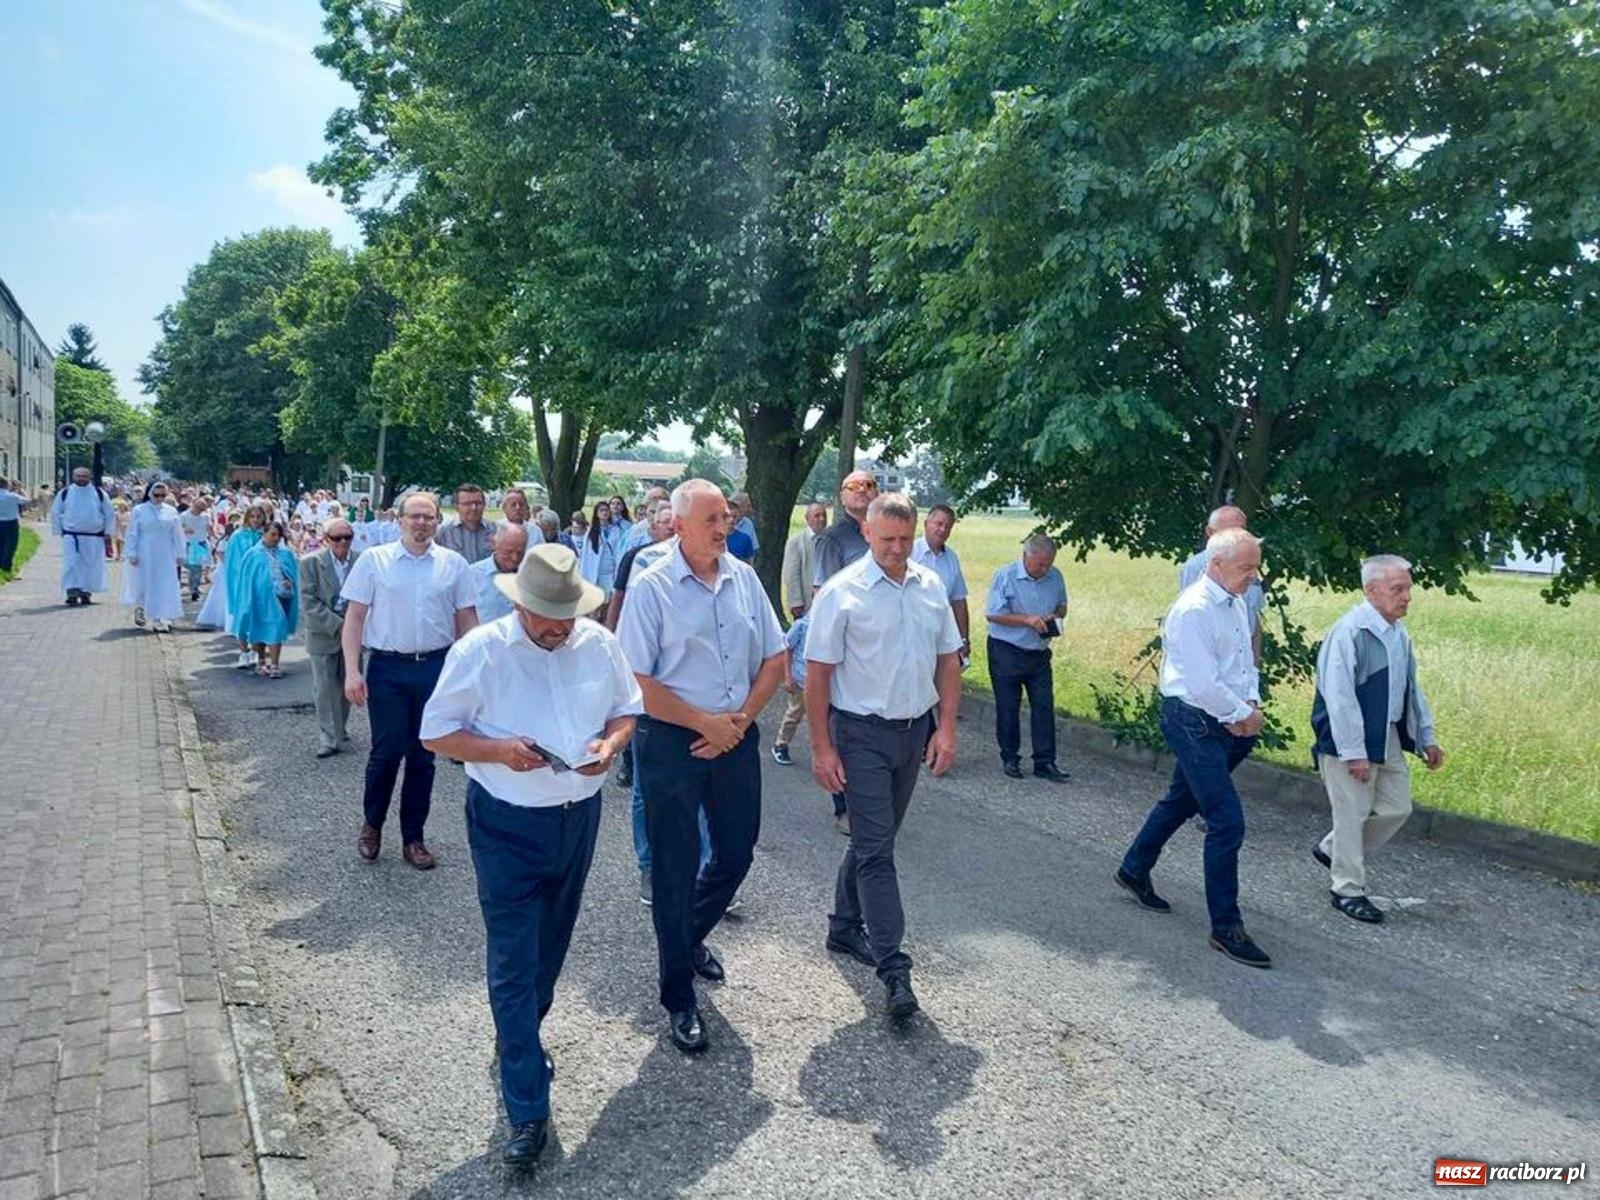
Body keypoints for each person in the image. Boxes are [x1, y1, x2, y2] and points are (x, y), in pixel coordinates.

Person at [420, 545, 641, 1166]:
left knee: (548, 951)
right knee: (514, 959)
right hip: (506, 822)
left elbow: (627, 710)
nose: (559, 625)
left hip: (579, 818)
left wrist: (611, 742)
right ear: (519, 602)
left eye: (567, 614)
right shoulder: (481, 650)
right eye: (547, 614)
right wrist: (497, 750)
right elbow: (435, 731)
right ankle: (527, 1107)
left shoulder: (598, 643)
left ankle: (518, 1031)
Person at [616, 479, 786, 1053]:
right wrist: (702, 724)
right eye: (712, 519)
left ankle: (686, 938)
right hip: (671, 741)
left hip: (734, 733)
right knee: (674, 865)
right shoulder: (652, 582)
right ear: (678, 525)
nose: (724, 528)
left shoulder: (742, 577)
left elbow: (776, 657)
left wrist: (734, 722)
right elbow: (635, 679)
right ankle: (677, 995)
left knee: (736, 852)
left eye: (728, 518)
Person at [806, 493, 962, 1017]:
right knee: (877, 852)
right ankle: (894, 968)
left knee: (877, 838)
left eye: (904, 539)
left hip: (912, 732)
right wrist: (822, 746)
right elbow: (819, 674)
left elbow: (948, 661)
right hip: (859, 734)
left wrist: (945, 730)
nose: (897, 549)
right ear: (867, 534)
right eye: (886, 539)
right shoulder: (841, 593)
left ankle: (843, 927)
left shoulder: (930, 586)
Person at [1114, 528, 1272, 969]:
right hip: (1193, 719)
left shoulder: (1236, 601)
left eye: (1255, 566)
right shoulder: (1194, 610)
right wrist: (1240, 712)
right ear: (1215, 565)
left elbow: (1244, 662)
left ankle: (1134, 867)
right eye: (1246, 568)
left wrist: (1250, 705)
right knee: (1226, 821)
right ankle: (1226, 928)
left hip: (1226, 717)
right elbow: (1202, 684)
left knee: (1181, 799)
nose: (1253, 577)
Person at [341, 491, 479, 870]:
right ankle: (372, 824)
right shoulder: (374, 561)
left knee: (423, 756)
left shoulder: (454, 565)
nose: (421, 523)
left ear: (438, 522)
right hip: (387, 668)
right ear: (399, 520)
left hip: (435, 669)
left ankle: (414, 837)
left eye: (428, 517)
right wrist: (352, 671)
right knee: (386, 753)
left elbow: (467, 622)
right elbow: (354, 619)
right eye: (414, 516)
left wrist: (474, 675)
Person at [1310, 555, 1445, 924]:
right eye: (1397, 589)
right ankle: (1347, 890)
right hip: (1347, 740)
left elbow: (1410, 690)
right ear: (1370, 591)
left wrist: (1426, 737)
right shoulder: (1350, 632)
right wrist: (1354, 752)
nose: (1406, 597)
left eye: (1408, 589)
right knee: (1351, 814)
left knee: (1397, 807)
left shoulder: (1399, 634)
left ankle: (1332, 849)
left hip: (1385, 734)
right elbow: (1338, 698)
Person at [604, 500, 706, 894]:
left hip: (696, 694)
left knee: (701, 790)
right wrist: (613, 651)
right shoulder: (640, 560)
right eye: (663, 523)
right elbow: (619, 605)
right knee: (647, 789)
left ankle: (704, 869)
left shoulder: (712, 563)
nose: (668, 528)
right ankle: (649, 864)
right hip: (649, 689)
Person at [984, 534, 1071, 782]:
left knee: (1044, 706)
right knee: (1008, 706)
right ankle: (1010, 758)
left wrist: (1055, 614)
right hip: (1007, 650)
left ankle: (1045, 762)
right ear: (1026, 556)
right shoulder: (1006, 575)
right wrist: (1027, 619)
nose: (1044, 569)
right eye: (1040, 564)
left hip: (1039, 652)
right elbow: (992, 614)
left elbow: (1063, 604)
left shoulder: (1055, 576)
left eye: (1048, 564)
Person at [770, 502, 830, 769]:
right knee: (796, 710)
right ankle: (781, 743)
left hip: (827, 607)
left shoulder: (830, 542)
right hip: (807, 603)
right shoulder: (799, 542)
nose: (820, 519)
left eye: (823, 515)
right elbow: (791, 573)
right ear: (807, 519)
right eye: (816, 515)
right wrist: (796, 602)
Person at [301, 518, 361, 756]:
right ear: (326, 540)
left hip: (354, 633)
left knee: (348, 684)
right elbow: (308, 602)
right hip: (324, 632)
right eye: (337, 538)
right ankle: (328, 736)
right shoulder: (310, 563)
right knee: (325, 687)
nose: (343, 542)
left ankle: (339, 727)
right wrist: (339, 625)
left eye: (348, 537)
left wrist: (355, 626)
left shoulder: (360, 561)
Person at [1179, 505, 1266, 660]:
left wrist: (1255, 663)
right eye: (1229, 532)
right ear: (1210, 532)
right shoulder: (1195, 569)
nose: (1238, 538)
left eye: (1242, 531)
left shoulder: (1247, 569)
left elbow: (1254, 618)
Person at [235, 520, 300, 678]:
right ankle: (261, 661)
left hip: (279, 598)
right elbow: (246, 580)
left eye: (279, 535)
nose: (276, 538)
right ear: (264, 534)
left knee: (276, 627)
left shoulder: (285, 553)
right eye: (273, 534)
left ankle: (275, 664)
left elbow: (293, 574)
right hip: (259, 598)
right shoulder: (253, 554)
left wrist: (289, 581)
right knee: (259, 629)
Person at [122, 480, 185, 633]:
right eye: (156, 495)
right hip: (145, 551)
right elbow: (132, 533)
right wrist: (131, 552)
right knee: (144, 582)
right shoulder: (139, 510)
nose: (159, 498)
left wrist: (180, 553)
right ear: (150, 494)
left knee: (164, 583)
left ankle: (160, 617)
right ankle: (142, 608)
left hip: (165, 553)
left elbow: (177, 534)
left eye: (163, 495)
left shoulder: (171, 511)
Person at [912, 504, 972, 665]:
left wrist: (964, 638)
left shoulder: (951, 558)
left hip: (942, 634)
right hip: (912, 633)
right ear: (926, 524)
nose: (942, 530)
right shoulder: (909, 552)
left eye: (948, 526)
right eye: (939, 524)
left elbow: (959, 601)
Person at [49, 466, 115, 606]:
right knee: (71, 564)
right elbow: (56, 512)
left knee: (89, 565)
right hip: (71, 536)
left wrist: (108, 532)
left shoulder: (99, 493)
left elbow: (109, 513)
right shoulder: (65, 493)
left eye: (84, 475)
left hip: (93, 537)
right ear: (73, 476)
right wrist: (59, 531)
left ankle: (86, 593)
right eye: (78, 475)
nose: (81, 478)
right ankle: (72, 592)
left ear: (90, 477)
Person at [813, 470, 876, 588]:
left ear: (877, 493)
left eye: (868, 485)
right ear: (842, 497)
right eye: (854, 486)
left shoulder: (889, 533)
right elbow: (823, 592)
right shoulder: (830, 539)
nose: (862, 490)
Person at [224, 505, 267, 667]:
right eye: (253, 516)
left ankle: (256, 651)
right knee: (242, 617)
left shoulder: (265, 534)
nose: (256, 520)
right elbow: (233, 562)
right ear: (247, 518)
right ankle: (243, 651)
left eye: (259, 516)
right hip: (241, 582)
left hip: (261, 582)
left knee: (258, 617)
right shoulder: (238, 536)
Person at [470, 522, 530, 624]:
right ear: (494, 544)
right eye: (508, 552)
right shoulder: (473, 575)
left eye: (520, 552)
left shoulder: (531, 576)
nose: (515, 558)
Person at [435, 483, 498, 564]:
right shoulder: (443, 533)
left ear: (484, 504)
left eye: (478, 503)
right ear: (456, 506)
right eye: (467, 504)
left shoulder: (496, 530)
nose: (474, 508)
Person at [578, 502, 618, 604]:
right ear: (596, 514)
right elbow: (586, 557)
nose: (604, 512)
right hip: (596, 571)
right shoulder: (591, 533)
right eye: (601, 510)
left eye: (606, 510)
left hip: (610, 571)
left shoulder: (616, 530)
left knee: (608, 603)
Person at [179, 496, 212, 602]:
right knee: (193, 567)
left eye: (202, 508)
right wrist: (185, 529)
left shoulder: (206, 516)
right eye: (199, 507)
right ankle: (194, 587)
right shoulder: (184, 516)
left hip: (200, 543)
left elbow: (210, 529)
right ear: (193, 505)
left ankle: (194, 589)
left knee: (197, 568)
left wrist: (214, 537)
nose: (200, 510)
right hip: (188, 543)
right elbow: (176, 529)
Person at [0, 478, 33, 575]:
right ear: (7, 485)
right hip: (11, 523)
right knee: (10, 546)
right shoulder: (13, 496)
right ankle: (6, 567)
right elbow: (27, 501)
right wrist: (20, 489)